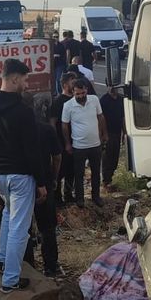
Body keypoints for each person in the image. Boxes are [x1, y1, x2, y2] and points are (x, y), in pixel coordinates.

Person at [0, 59, 46, 293]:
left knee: (8, 214)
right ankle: (10, 279)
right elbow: (32, 150)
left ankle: (1, 257)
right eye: (25, 79)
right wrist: (42, 182)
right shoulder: (23, 112)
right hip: (20, 174)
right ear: (14, 78)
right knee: (20, 226)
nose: (26, 84)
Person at [24, 96, 61, 277]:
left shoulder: (16, 131)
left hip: (21, 182)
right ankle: (51, 267)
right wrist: (53, 178)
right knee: (47, 227)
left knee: (23, 228)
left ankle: (29, 267)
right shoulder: (46, 130)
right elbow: (57, 157)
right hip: (44, 181)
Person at [62, 79, 107, 208]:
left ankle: (96, 196)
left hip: (95, 144)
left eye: (82, 93)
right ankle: (80, 199)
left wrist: (104, 134)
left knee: (96, 172)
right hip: (79, 146)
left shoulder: (94, 100)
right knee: (79, 174)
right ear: (73, 93)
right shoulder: (68, 106)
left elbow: (101, 117)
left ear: (86, 90)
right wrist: (67, 143)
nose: (80, 96)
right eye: (77, 94)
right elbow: (65, 126)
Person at [50, 72, 77, 204]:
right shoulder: (58, 101)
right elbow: (53, 122)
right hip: (61, 141)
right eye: (72, 81)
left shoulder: (76, 100)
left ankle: (68, 194)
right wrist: (55, 141)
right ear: (65, 84)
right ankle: (57, 196)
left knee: (72, 169)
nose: (75, 83)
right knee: (60, 170)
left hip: (76, 139)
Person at [100, 87, 126, 190]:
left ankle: (110, 179)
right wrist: (103, 134)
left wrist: (125, 132)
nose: (112, 88)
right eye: (110, 86)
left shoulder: (121, 100)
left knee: (115, 156)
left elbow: (123, 117)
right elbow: (101, 118)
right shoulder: (104, 100)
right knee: (107, 157)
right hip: (108, 133)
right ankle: (106, 181)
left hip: (117, 132)